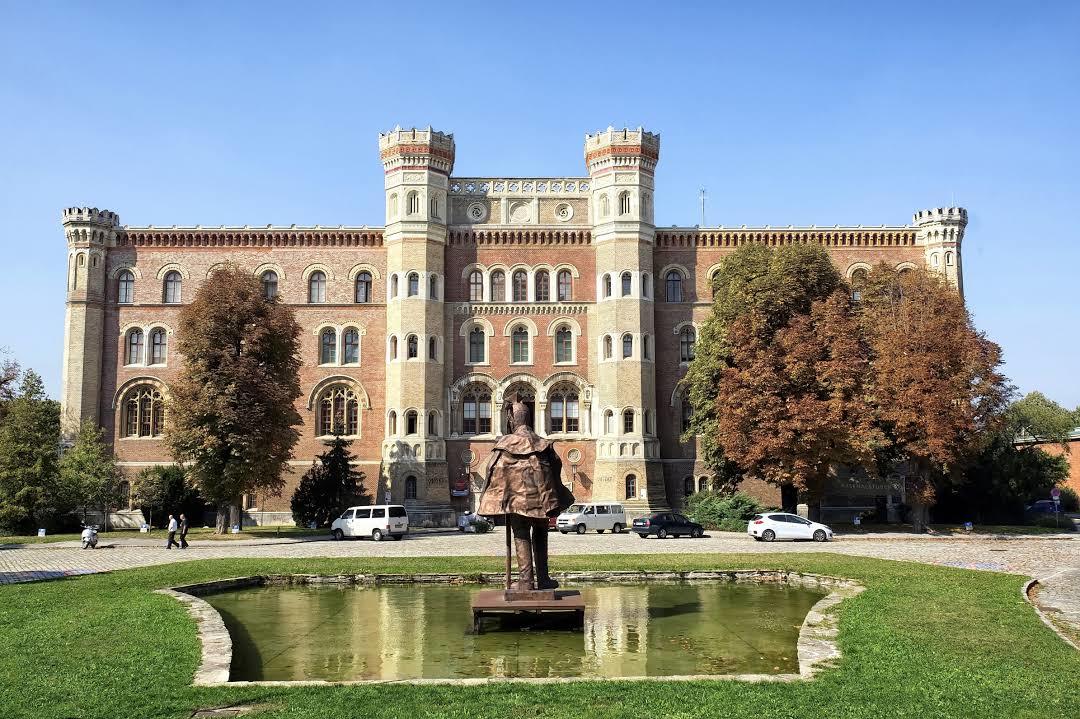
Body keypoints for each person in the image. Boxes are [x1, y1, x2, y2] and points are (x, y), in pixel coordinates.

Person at [477, 394, 574, 591]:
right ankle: (544, 579)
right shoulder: (544, 444)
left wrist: (492, 499)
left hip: (517, 502)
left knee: (521, 536)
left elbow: (491, 471)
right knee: (541, 535)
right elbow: (556, 468)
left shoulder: (503, 446)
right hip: (543, 502)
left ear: (512, 420)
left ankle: (526, 581)